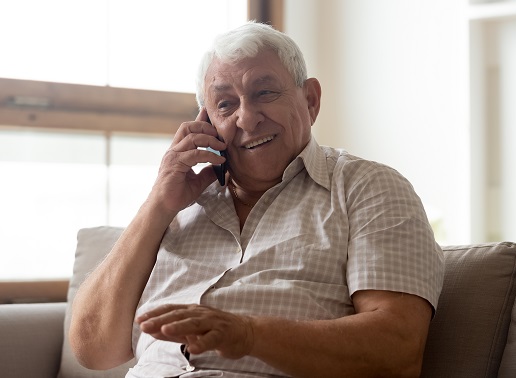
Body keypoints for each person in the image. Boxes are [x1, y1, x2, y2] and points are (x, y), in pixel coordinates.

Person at [70, 22, 444, 378]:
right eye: (225, 105)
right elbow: (93, 350)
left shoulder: (368, 187)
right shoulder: (177, 204)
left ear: (310, 100)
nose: (247, 119)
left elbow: (397, 353)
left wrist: (247, 335)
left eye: (264, 93)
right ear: (207, 121)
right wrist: (158, 205)